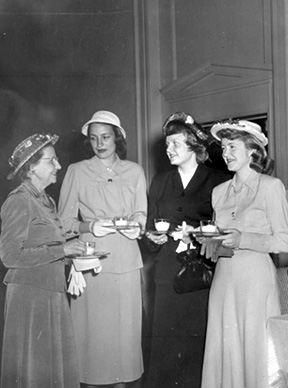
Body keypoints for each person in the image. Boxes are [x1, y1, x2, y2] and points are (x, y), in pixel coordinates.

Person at [58, 111, 147, 387]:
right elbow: (63, 223)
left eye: (106, 137)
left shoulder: (134, 171)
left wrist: (137, 226)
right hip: (91, 265)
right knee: (93, 347)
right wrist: (89, 227)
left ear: (117, 138)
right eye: (94, 138)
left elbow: (141, 215)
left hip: (127, 264)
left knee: (123, 345)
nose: (100, 143)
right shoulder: (76, 171)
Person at [200, 120, 288, 388]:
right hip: (224, 278)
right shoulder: (218, 193)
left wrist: (244, 239)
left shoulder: (271, 186)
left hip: (255, 279)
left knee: (255, 347)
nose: (225, 153)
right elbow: (221, 241)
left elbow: (284, 241)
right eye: (223, 147)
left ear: (252, 150)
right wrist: (206, 240)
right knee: (224, 345)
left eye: (232, 146)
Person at [144, 112, 229, 387]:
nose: (169, 150)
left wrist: (199, 235)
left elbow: (226, 229)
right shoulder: (160, 182)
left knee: (198, 343)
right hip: (167, 272)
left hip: (202, 274)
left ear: (194, 145)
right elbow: (149, 228)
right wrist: (152, 238)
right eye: (167, 144)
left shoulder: (218, 181)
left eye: (176, 144)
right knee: (166, 346)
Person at [0, 133, 85, 388]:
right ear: (31, 168)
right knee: (34, 372)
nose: (58, 166)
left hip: (50, 293)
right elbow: (10, 256)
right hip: (30, 298)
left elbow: (48, 244)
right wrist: (63, 251)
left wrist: (73, 257)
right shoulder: (19, 200)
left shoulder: (45, 200)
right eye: (51, 160)